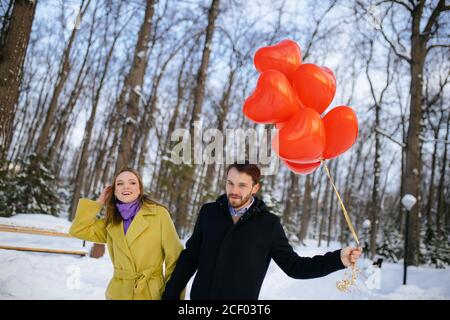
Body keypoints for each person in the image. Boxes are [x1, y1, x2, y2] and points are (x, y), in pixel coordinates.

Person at [163, 161, 362, 300]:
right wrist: (170, 294)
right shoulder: (209, 212)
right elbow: (190, 258)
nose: (234, 190)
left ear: (255, 188)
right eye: (230, 183)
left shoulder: (268, 225)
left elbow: (295, 266)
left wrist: (337, 259)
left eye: (242, 185)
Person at [70, 167, 183, 300]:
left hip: (150, 293)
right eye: (120, 183)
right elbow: (78, 229)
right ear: (114, 192)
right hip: (118, 293)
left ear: (140, 189)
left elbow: (175, 258)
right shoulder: (111, 222)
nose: (126, 187)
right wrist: (99, 202)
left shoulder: (159, 215)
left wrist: (173, 296)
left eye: (132, 182)